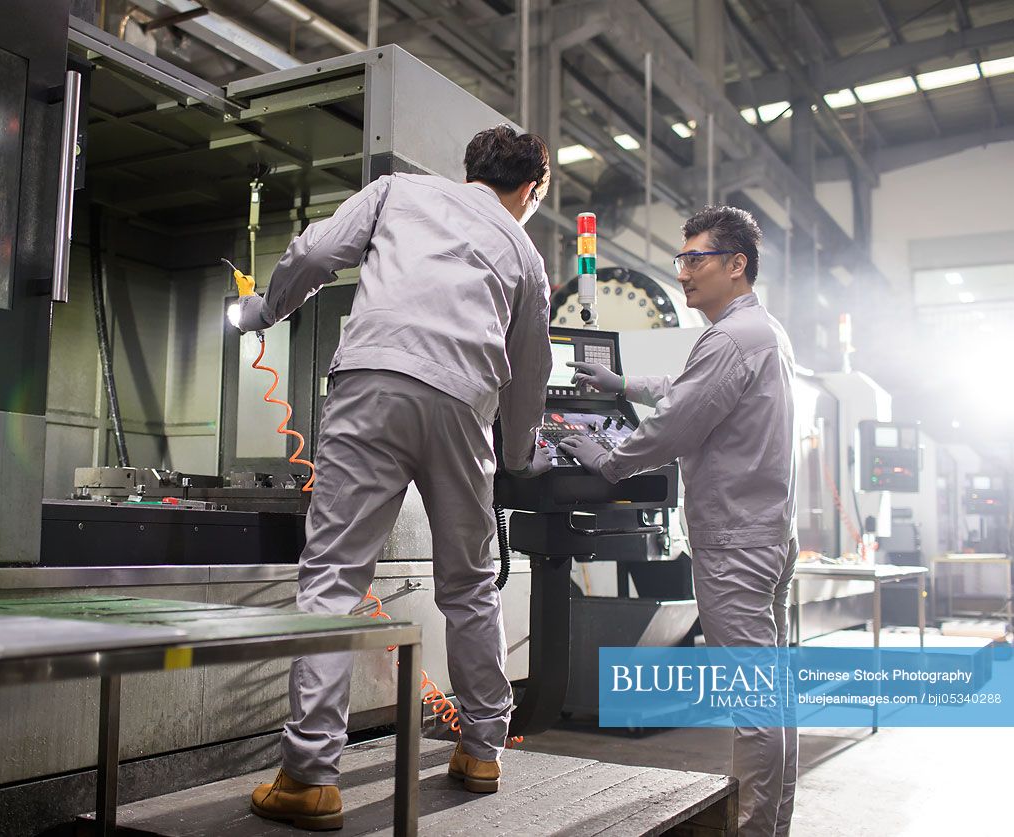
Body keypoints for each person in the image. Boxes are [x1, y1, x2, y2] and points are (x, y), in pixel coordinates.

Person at [236, 124, 555, 831]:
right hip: (465, 407)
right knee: (470, 586)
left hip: (374, 383)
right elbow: (530, 371)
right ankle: (480, 750)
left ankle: (310, 776)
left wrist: (264, 309)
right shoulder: (525, 254)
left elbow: (316, 252)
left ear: (468, 167)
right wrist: (519, 451)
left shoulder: (397, 192)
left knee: (333, 580)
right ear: (531, 189)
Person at [559, 206, 798, 837]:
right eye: (681, 261)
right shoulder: (759, 332)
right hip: (765, 532)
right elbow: (688, 388)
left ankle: (749, 827)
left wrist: (605, 460)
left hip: (734, 539)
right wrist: (622, 382)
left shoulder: (731, 337)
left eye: (695, 260)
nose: (684, 274)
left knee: (749, 700)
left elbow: (677, 424)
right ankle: (771, 824)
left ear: (735, 264)